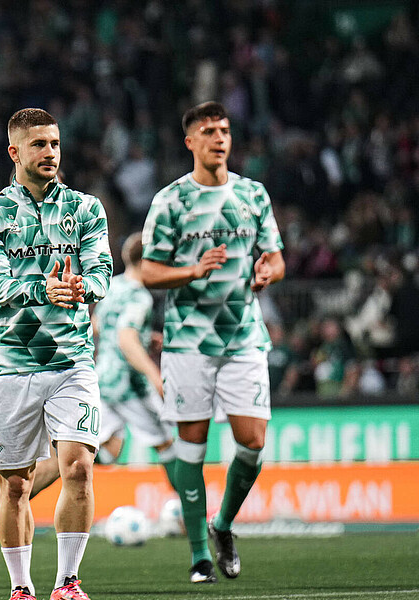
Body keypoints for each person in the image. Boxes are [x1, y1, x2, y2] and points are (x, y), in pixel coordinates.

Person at [140, 101, 285, 583]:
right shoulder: (171, 201)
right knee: (192, 448)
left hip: (243, 336)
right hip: (187, 343)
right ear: (190, 142)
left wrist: (268, 270)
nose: (218, 138)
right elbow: (149, 272)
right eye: (208, 131)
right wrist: (192, 270)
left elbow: (276, 257)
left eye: (223, 130)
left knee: (253, 442)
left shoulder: (253, 195)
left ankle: (223, 525)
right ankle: (200, 553)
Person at [0, 108, 112, 600]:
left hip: (71, 360)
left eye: (55, 144)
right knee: (15, 484)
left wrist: (81, 286)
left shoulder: (85, 209)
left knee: (78, 465)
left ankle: (68, 582)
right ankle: (21, 587)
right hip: (10, 364)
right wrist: (43, 288)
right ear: (14, 152)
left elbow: (102, 270)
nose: (50, 153)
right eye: (39, 145)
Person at [92, 232, 177, 483]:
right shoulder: (140, 296)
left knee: (109, 450)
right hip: (128, 384)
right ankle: (190, 513)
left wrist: (144, 337)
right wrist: (155, 377)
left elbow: (98, 325)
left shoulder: (113, 287)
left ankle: (56, 462)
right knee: (168, 444)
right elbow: (126, 339)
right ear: (145, 261)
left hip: (103, 378)